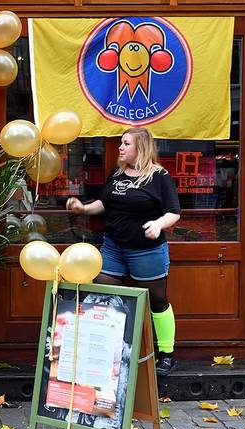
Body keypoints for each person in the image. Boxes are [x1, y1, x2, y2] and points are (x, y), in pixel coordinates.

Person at [65, 127, 180, 376]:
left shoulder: (158, 176)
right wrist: (82, 209)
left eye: (126, 144)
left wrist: (158, 224)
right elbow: (104, 203)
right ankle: (107, 353)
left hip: (146, 251)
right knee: (104, 297)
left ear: (141, 148)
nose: (120, 147)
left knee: (157, 300)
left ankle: (167, 354)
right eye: (121, 143)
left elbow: (173, 212)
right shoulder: (117, 174)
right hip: (113, 247)